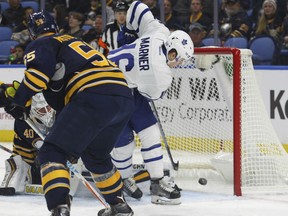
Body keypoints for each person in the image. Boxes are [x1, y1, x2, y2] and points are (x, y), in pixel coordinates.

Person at [1, 10, 134, 216]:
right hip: (123, 97)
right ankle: (119, 206)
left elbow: (37, 76)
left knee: (52, 152)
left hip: (92, 94)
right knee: (96, 156)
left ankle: (59, 208)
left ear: (33, 32)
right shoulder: (72, 41)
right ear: (55, 27)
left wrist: (18, 101)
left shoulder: (41, 43)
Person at [108, 1, 194, 205]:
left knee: (147, 133)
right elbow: (151, 94)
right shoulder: (161, 74)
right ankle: (125, 178)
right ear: (172, 52)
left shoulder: (160, 33)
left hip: (118, 83)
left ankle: (155, 180)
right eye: (180, 59)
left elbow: (137, 7)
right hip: (109, 91)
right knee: (126, 141)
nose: (179, 64)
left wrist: (128, 32)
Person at [0, 92, 55, 194]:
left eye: (48, 108)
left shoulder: (58, 116)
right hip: (27, 158)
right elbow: (41, 145)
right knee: (21, 162)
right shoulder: (23, 122)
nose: (47, 112)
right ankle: (18, 175)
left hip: (43, 156)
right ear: (34, 110)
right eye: (42, 110)